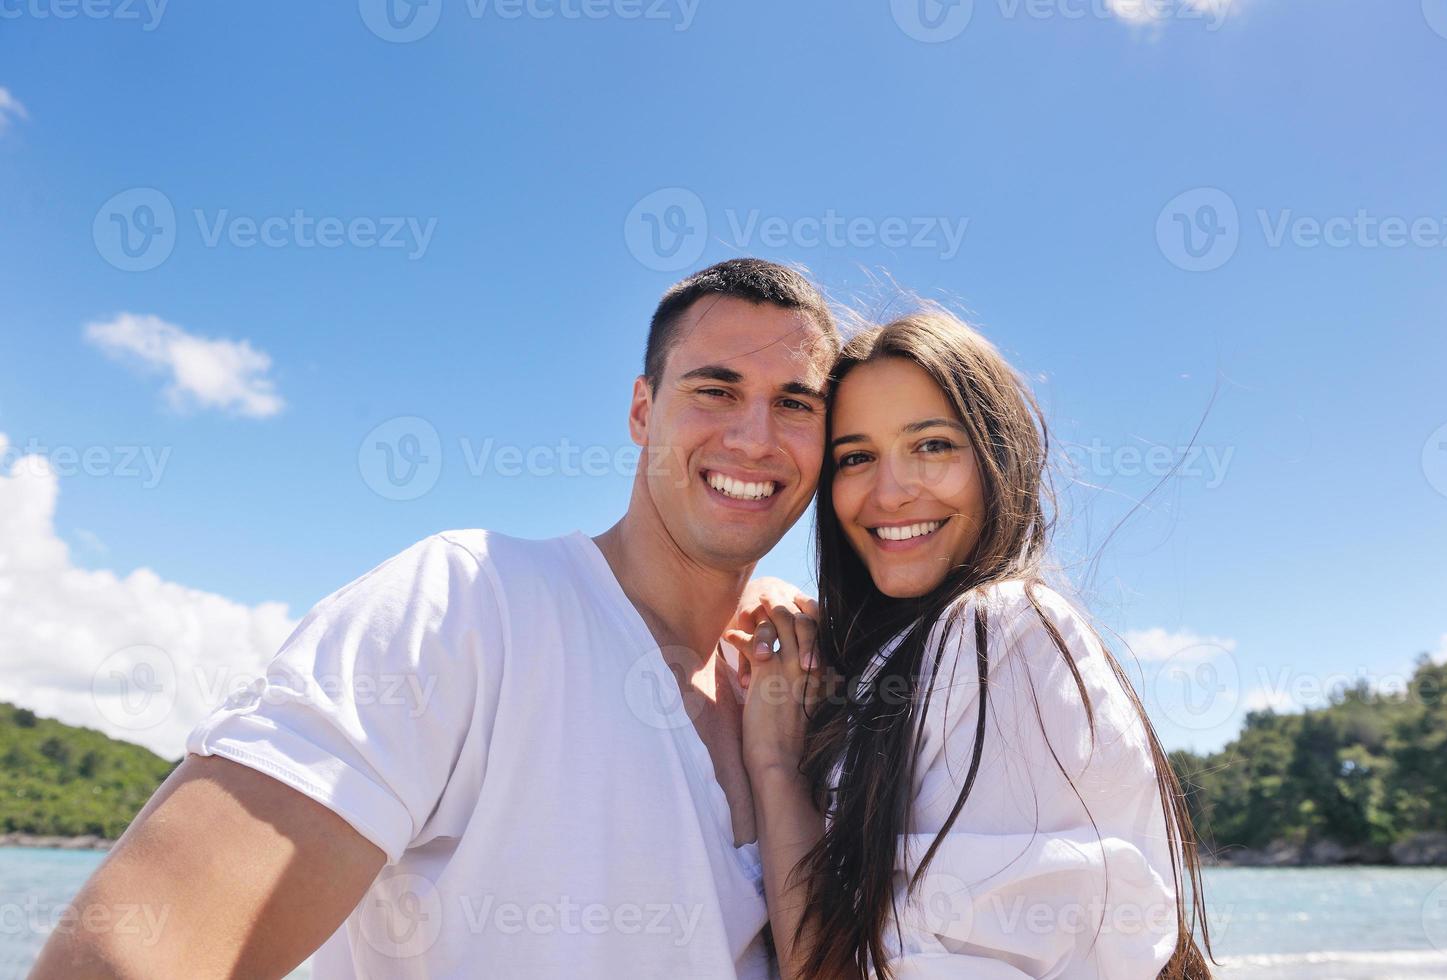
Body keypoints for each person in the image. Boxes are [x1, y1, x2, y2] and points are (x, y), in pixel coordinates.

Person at [30, 258, 839, 979]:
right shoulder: (468, 605)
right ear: (642, 409)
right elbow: (124, 957)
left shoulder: (801, 682)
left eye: (795, 404)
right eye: (714, 389)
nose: (754, 436)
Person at [727, 310, 1215, 978]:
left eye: (932, 446)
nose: (890, 493)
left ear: (997, 458)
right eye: (856, 458)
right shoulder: (926, 655)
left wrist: (775, 764)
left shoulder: (1000, 632)